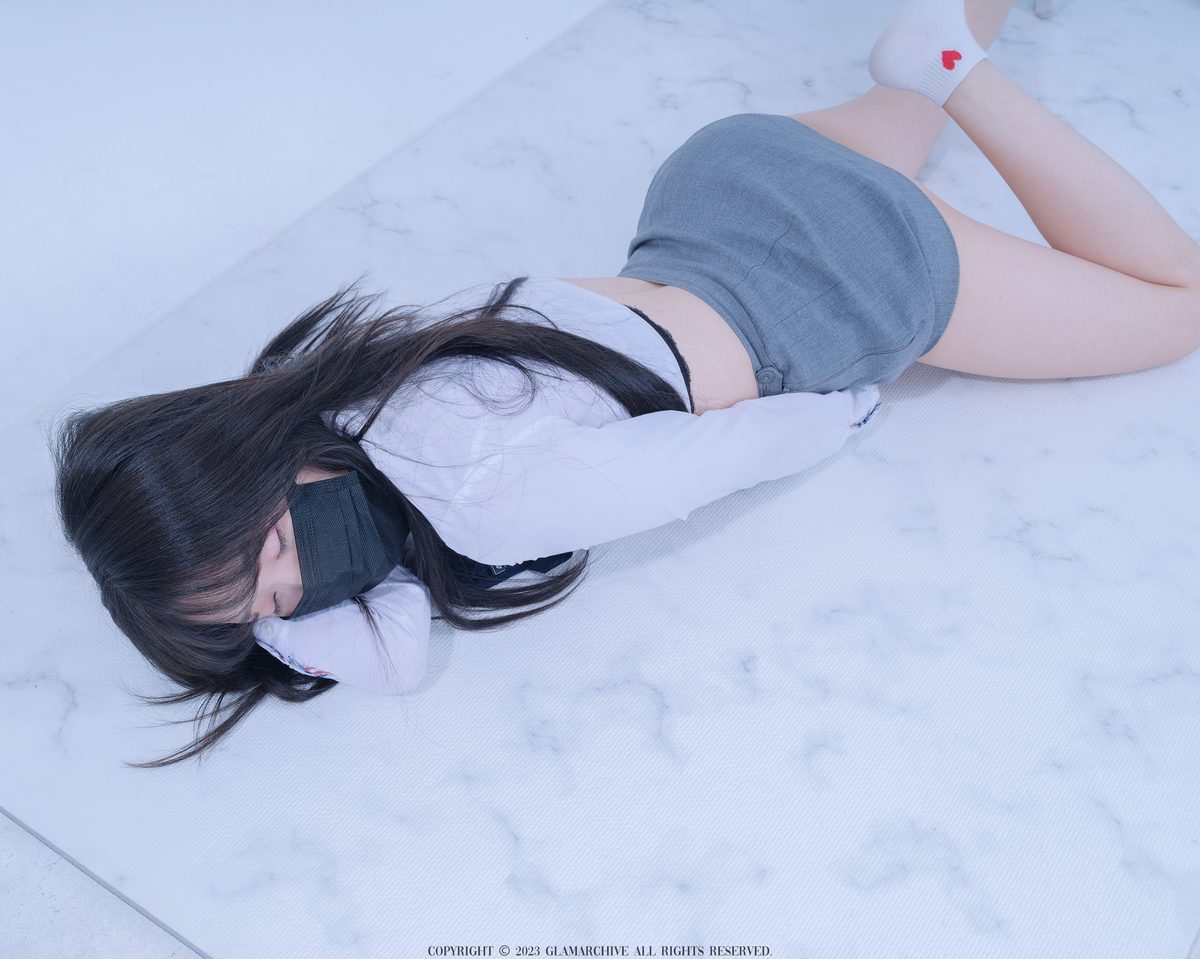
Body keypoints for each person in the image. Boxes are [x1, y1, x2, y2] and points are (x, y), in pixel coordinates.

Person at [51, 0, 1200, 768]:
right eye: (269, 607)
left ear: (261, 461)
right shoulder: (364, 381)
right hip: (719, 181)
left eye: (271, 553)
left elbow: (703, 461)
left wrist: (849, 402)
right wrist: (263, 606)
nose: (299, 589)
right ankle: (936, 49)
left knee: (1175, 304)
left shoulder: (493, 507)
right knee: (901, 99)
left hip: (829, 278)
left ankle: (963, 72)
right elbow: (379, 620)